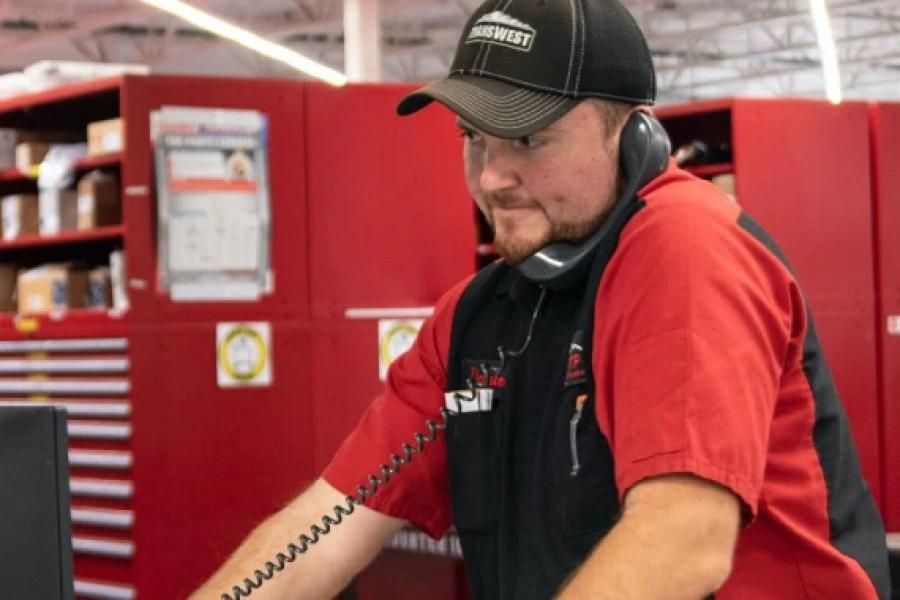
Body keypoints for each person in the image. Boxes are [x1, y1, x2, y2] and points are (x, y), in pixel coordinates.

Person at [192, 0, 891, 598]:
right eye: (474, 137)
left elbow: (684, 540)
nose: (493, 177)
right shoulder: (476, 317)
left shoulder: (684, 249)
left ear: (632, 133)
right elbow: (327, 525)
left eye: (530, 137)